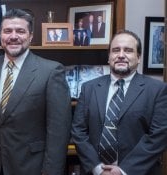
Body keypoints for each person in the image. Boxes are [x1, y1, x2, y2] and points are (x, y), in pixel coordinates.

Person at [0, 8, 72, 175]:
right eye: (7, 31)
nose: (13, 36)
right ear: (0, 35)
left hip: (32, 166)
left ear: (30, 36)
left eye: (20, 31)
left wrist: (51, 171)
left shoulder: (51, 71)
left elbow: (59, 130)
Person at [71, 30, 167, 175]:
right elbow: (78, 132)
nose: (121, 55)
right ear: (109, 57)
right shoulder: (89, 88)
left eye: (128, 50)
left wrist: (123, 170)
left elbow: (159, 136)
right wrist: (98, 169)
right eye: (116, 50)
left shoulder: (157, 90)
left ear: (138, 57)